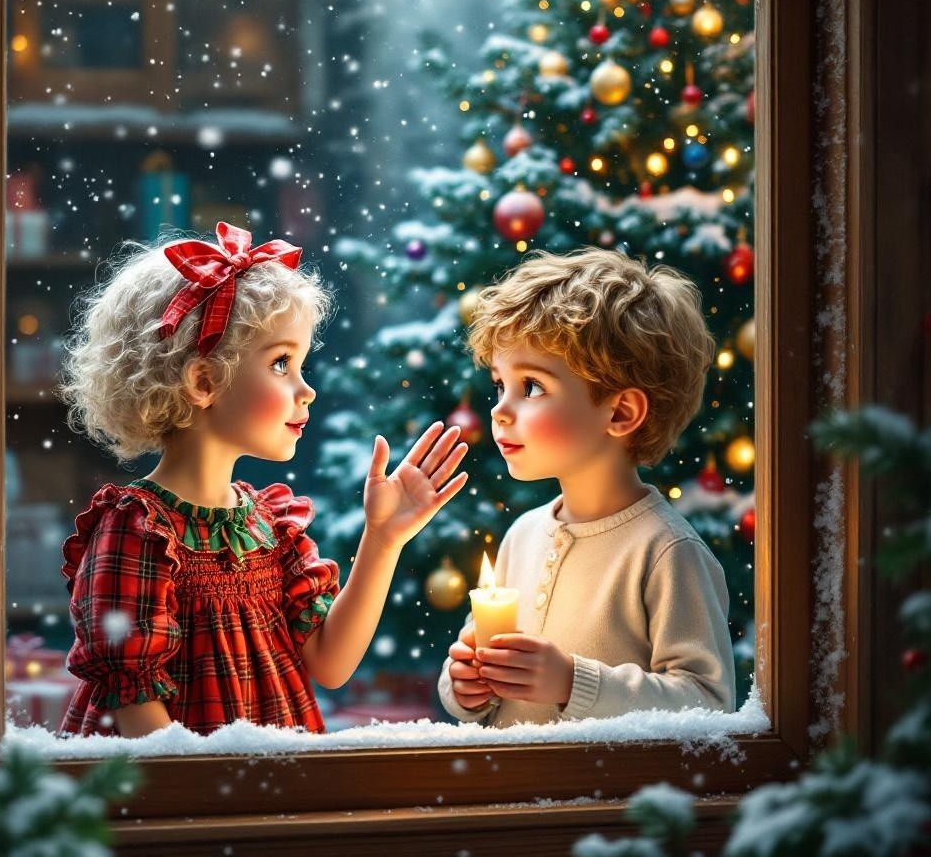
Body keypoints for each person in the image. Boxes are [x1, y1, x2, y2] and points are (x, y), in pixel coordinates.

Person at [54, 222, 468, 738]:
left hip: (271, 792)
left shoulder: (271, 526)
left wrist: (383, 539)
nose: (306, 390)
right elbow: (139, 716)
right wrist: (227, 803)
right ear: (203, 381)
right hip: (191, 804)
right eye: (281, 363)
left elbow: (331, 664)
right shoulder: (136, 533)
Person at [439, 247, 735, 727]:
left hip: (600, 801)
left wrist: (573, 684)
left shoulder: (666, 551)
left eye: (531, 387)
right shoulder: (522, 535)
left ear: (620, 413)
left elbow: (708, 703)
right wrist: (464, 687)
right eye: (499, 385)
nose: (499, 410)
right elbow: (473, 676)